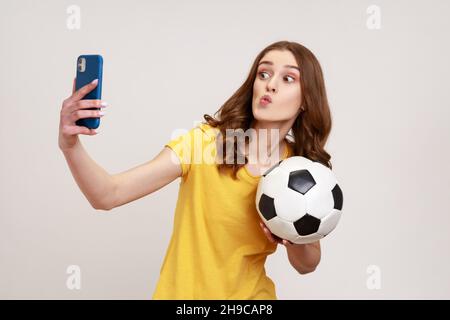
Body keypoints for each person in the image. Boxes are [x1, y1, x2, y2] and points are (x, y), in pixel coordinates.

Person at [58, 40, 333, 299]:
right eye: (263, 74)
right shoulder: (206, 143)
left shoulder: (301, 171)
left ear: (307, 99)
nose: (270, 85)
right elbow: (108, 194)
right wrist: (70, 145)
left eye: (288, 78)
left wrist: (291, 238)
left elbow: (307, 265)